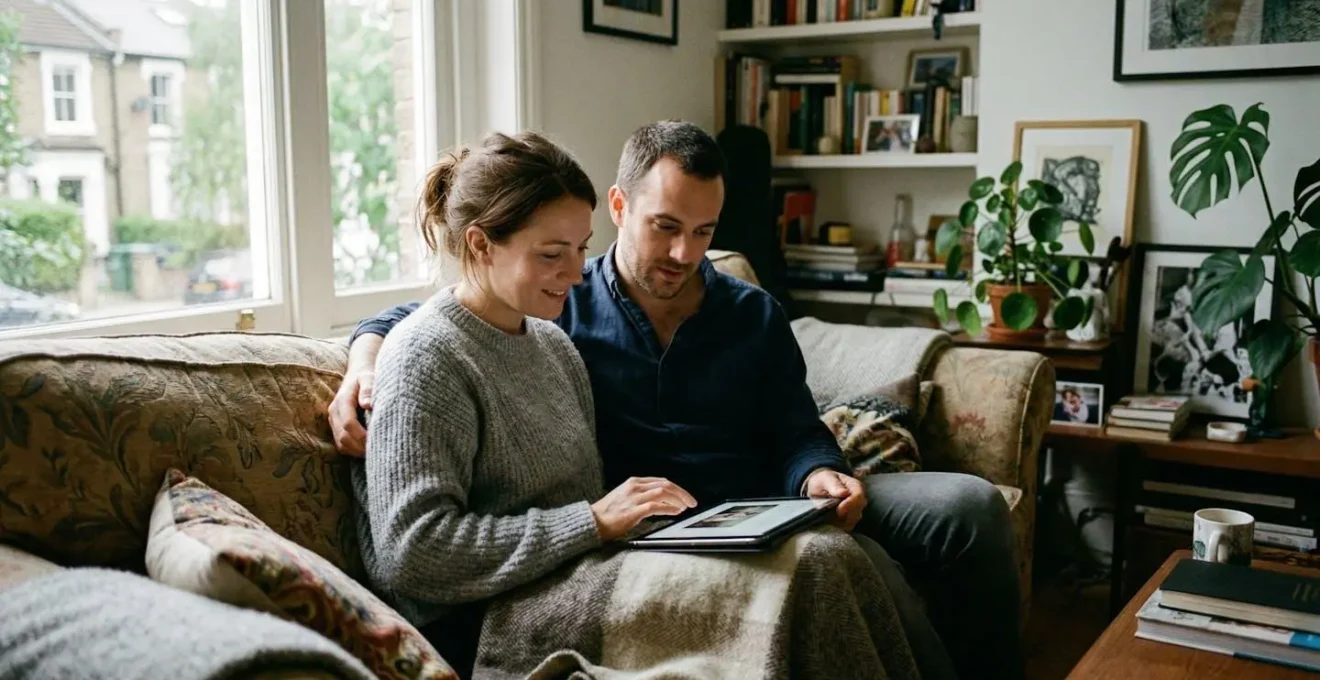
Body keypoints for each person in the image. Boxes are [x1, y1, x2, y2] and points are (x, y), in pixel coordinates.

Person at [334, 121, 1021, 680]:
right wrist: (365, 354)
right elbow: (443, 321)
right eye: (666, 226)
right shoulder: (559, 314)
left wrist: (817, 471)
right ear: (621, 206)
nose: (685, 252)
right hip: (647, 541)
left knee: (962, 509)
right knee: (843, 566)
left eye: (704, 232)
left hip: (756, 505)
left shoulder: (713, 317)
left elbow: (794, 425)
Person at [351, 130, 702, 677]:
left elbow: (583, 507)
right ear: (480, 244)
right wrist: (590, 522)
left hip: (583, 584)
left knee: (812, 565)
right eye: (551, 254)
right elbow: (414, 553)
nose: (577, 272)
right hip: (493, 622)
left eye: (583, 248)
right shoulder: (425, 357)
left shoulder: (553, 344)